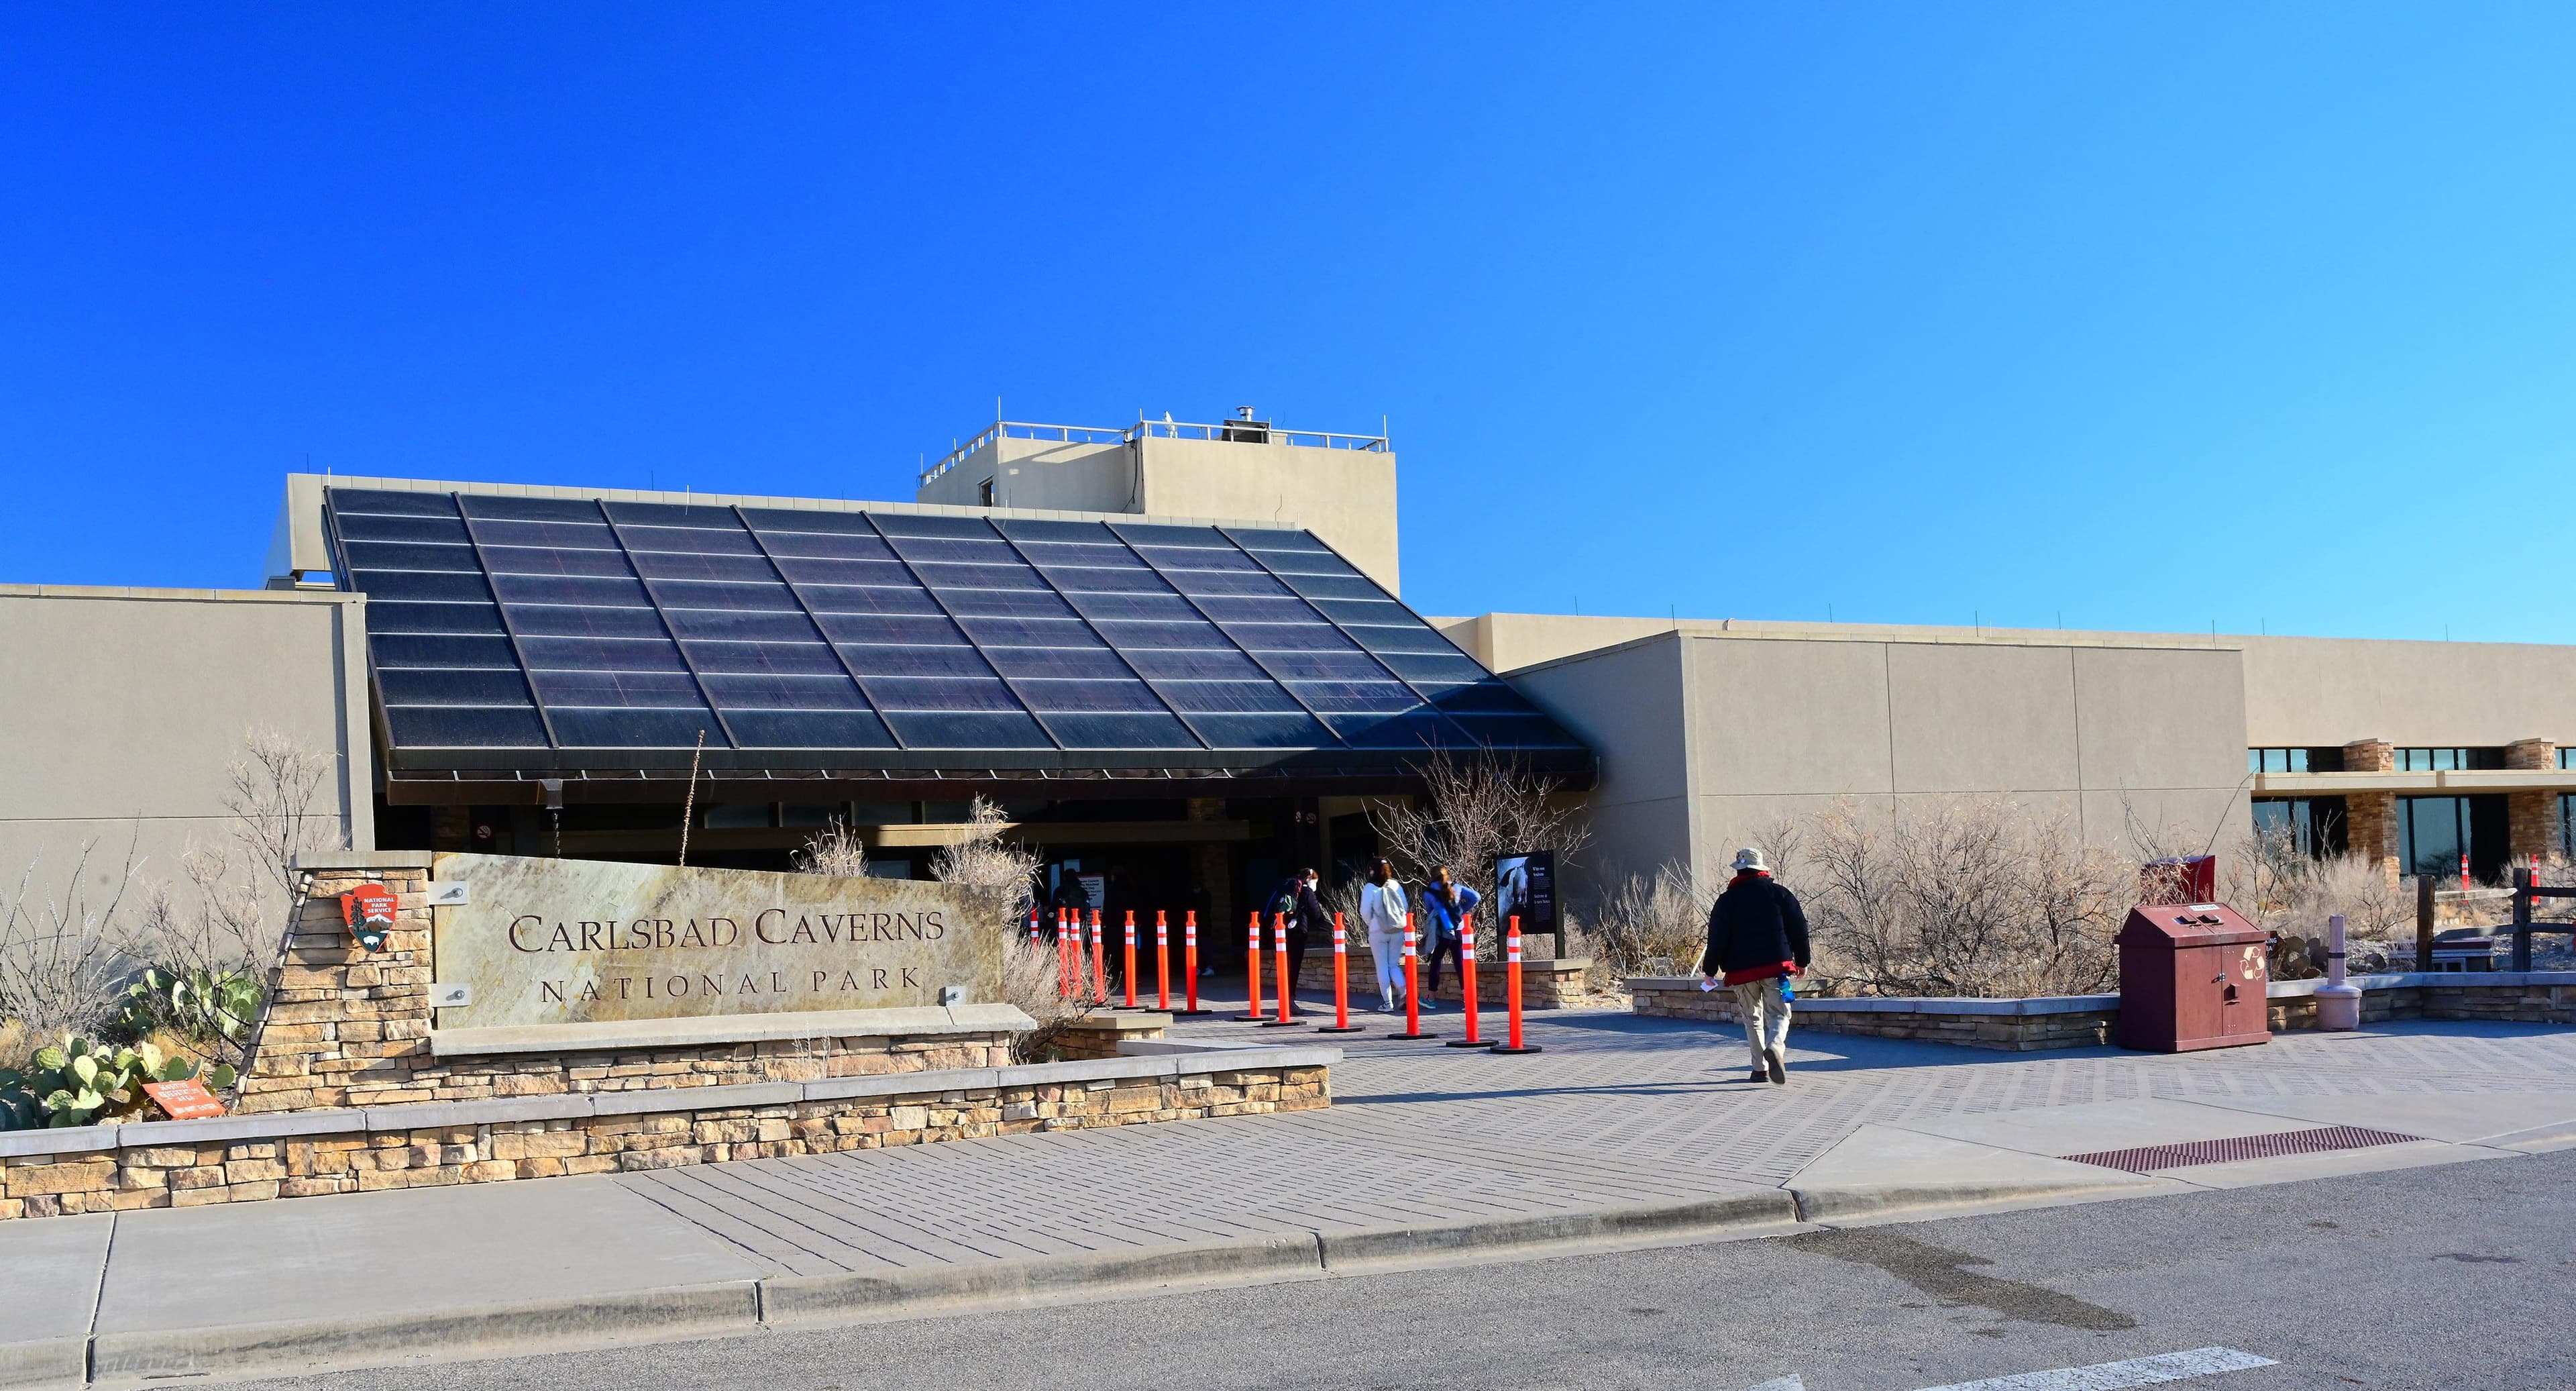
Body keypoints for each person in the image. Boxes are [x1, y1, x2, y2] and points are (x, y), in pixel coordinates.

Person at [1698, 846, 1809, 1085]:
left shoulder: (1726, 901)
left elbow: (1716, 938)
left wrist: (1709, 972)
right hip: (1776, 968)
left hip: (1741, 971)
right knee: (1779, 1013)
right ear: (1761, 869)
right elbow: (1799, 929)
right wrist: (1802, 961)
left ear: (1739, 871)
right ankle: (1776, 1047)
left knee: (1753, 1019)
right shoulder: (1780, 894)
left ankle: (1760, 1069)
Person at [1262, 868, 1328, 1015]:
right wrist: (1332, 927)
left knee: (1284, 966)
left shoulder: (1287, 888)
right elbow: (1317, 916)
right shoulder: (1307, 892)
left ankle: (1284, 1000)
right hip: (1297, 933)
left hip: (1280, 932)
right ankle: (1290, 1001)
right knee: (1294, 967)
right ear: (1310, 879)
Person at [1417, 866, 1481, 1010]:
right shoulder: (1456, 887)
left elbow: (1430, 911)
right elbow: (1476, 897)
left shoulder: (1429, 892)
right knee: (1460, 963)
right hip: (1459, 929)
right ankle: (1467, 1000)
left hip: (1442, 931)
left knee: (1436, 962)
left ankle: (1431, 999)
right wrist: (1461, 911)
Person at [1358, 859, 1409, 1013]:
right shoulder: (1395, 885)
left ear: (1372, 871)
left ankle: (1388, 1003)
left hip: (1378, 931)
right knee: (1394, 964)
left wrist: (1371, 923)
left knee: (1382, 967)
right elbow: (1405, 906)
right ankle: (1404, 992)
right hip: (1397, 930)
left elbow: (1365, 912)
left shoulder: (1370, 888)